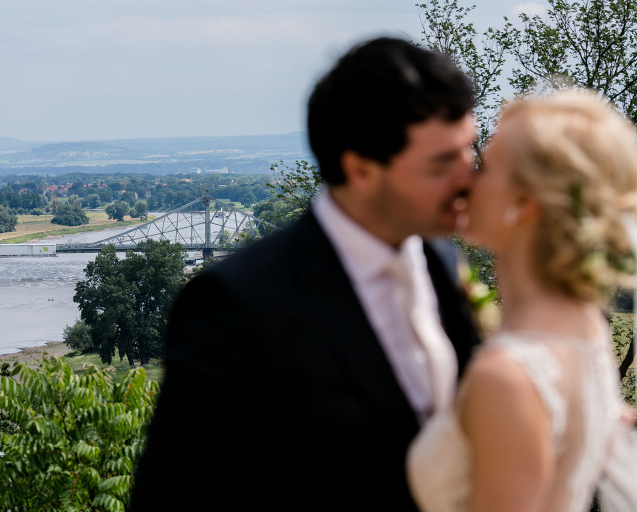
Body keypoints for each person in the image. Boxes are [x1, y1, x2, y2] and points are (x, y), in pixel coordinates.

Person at [129, 36, 482, 512]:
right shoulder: (235, 304)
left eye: (470, 151)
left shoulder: (441, 260)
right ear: (360, 168)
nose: (470, 177)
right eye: (443, 163)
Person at [406, 88, 637, 512]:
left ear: (525, 203)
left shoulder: (507, 376)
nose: (467, 178)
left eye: (487, 166)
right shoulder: (582, 322)